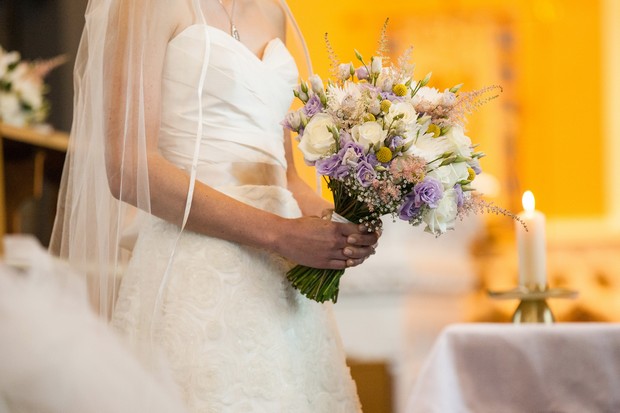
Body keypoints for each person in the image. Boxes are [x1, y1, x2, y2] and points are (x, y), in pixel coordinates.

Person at [50, 0, 379, 411]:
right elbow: (129, 169)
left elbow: (285, 174)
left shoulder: (273, 10)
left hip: (282, 285)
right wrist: (281, 233)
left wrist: (341, 223)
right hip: (195, 262)